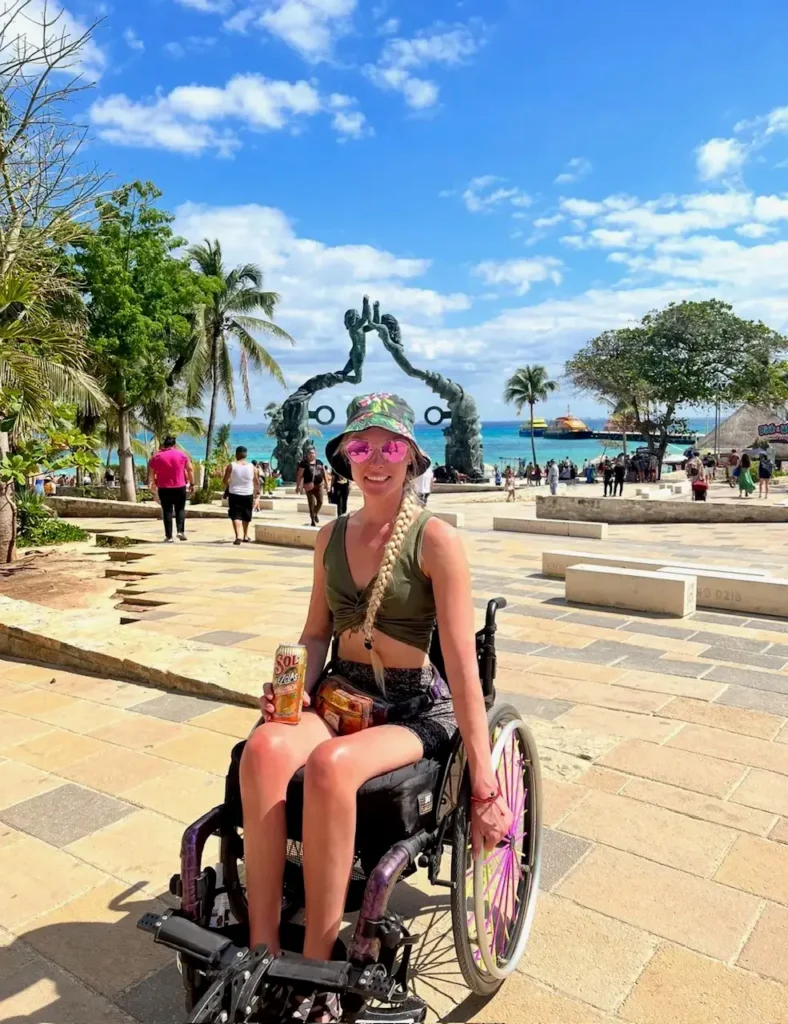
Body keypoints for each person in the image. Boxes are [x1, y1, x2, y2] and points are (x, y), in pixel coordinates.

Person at [240, 394, 512, 1021]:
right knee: (263, 748)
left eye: (391, 447)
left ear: (412, 457)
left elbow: (463, 667)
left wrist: (485, 780)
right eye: (361, 447)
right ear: (344, 458)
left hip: (414, 704)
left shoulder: (435, 540)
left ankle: (315, 963)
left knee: (334, 766)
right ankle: (261, 948)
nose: (375, 460)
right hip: (340, 691)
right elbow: (314, 634)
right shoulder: (329, 536)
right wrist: (293, 689)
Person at [148, 436, 194, 542]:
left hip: (164, 488)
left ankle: (169, 536)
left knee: (167, 511)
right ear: (174, 445)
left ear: (164, 445)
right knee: (180, 509)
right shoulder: (182, 455)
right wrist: (192, 483)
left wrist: (153, 483)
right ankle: (180, 531)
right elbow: (190, 469)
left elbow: (151, 472)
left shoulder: (157, 456)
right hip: (180, 486)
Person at [223, 446, 259, 544]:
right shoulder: (252, 467)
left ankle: (238, 535)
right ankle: (245, 535)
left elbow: (225, 481)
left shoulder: (231, 466)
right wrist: (258, 494)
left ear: (236, 454)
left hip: (234, 493)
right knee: (246, 515)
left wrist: (229, 484)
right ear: (246, 455)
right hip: (248, 494)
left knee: (236, 515)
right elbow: (256, 482)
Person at [297, 447, 328, 526]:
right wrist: (298, 486)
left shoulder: (319, 462)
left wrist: (327, 484)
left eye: (313, 453)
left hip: (319, 485)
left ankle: (315, 513)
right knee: (311, 503)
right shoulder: (304, 463)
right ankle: (312, 520)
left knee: (320, 502)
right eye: (310, 453)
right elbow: (300, 475)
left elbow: (324, 473)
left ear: (315, 454)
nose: (311, 454)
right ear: (307, 455)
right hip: (308, 486)